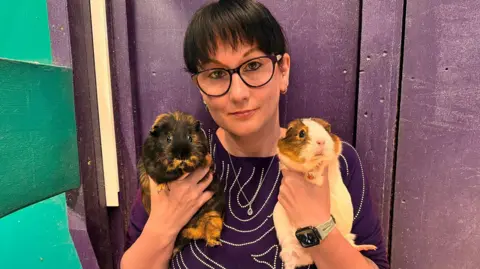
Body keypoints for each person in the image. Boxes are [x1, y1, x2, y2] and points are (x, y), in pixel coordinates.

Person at [120, 1, 389, 268]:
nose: (238, 94)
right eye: (216, 74)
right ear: (201, 88)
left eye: (252, 66)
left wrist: (318, 227)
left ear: (283, 70)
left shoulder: (331, 158)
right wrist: (164, 227)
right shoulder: (179, 160)